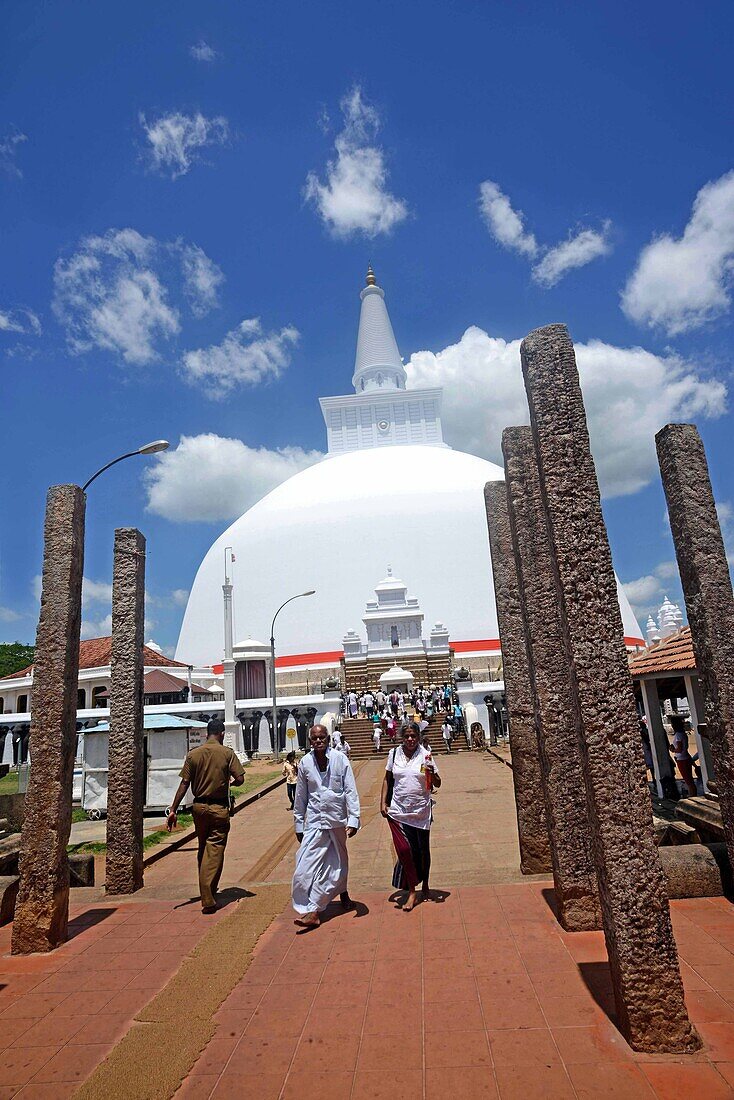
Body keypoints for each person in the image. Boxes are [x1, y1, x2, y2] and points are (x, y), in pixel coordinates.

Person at [167, 717, 245, 913]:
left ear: (206, 734)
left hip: (199, 808)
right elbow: (241, 778)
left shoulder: (193, 755)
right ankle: (208, 898)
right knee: (216, 849)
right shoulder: (227, 753)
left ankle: (207, 888)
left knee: (203, 847)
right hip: (219, 808)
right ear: (222, 734)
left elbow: (184, 784)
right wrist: (228, 784)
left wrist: (173, 809)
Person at [292, 724, 360, 929]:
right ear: (310, 741)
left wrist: (354, 819)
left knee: (336, 865)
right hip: (314, 821)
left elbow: (350, 790)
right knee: (303, 868)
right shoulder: (305, 763)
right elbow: (301, 796)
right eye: (314, 738)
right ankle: (310, 908)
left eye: (322, 737)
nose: (318, 741)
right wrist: (298, 824)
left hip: (336, 821)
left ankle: (316, 908)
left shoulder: (340, 760)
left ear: (328, 739)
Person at [380, 722, 441, 912]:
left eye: (413, 736)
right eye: (406, 736)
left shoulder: (425, 755)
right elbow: (387, 779)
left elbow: (438, 783)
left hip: (421, 810)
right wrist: (383, 802)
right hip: (398, 809)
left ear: (419, 736)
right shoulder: (394, 754)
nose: (410, 740)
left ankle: (425, 885)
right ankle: (412, 890)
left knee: (423, 850)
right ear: (401, 737)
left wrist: (431, 772)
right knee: (406, 850)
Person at [670, 714, 697, 796]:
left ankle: (693, 796)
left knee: (688, 781)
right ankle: (693, 795)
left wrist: (673, 749)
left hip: (681, 760)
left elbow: (679, 749)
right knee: (690, 780)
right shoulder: (683, 733)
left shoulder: (678, 735)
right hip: (685, 757)